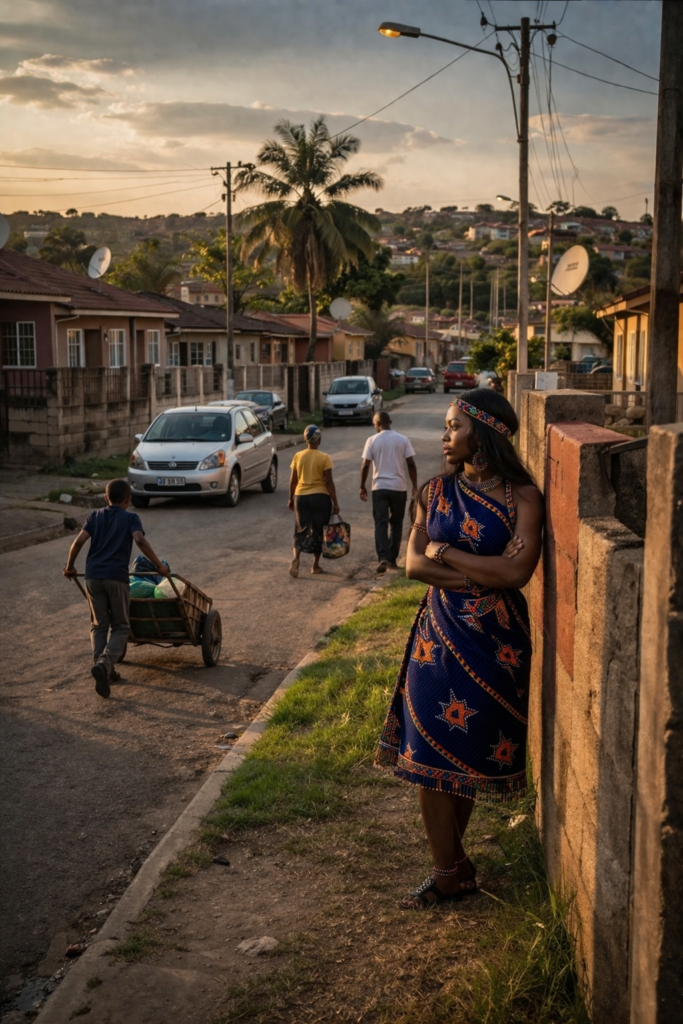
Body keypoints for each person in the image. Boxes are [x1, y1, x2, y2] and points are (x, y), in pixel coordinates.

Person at [375, 389, 543, 909]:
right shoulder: (433, 492)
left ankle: (455, 869)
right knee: (428, 750)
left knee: (465, 754)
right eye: (446, 427)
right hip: (438, 637)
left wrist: (444, 550)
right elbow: (412, 567)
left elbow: (517, 572)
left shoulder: (523, 497)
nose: (444, 437)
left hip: (498, 644)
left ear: (482, 433)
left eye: (453, 427)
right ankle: (448, 871)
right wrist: (479, 567)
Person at [63, 478, 169, 700]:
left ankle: (104, 671)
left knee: (99, 625)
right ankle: (105, 664)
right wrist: (159, 565)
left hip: (92, 576)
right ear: (128, 499)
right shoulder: (131, 517)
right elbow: (139, 539)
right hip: (116, 577)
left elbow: (79, 541)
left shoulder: (95, 516)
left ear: (105, 498)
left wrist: (70, 566)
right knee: (121, 626)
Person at [360, 411, 417, 574]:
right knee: (396, 523)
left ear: (377, 424)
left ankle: (383, 557)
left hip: (379, 487)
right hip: (399, 488)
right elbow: (411, 464)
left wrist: (362, 485)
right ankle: (392, 560)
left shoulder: (372, 440)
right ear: (389, 421)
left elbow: (365, 465)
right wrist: (414, 485)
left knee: (381, 522)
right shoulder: (403, 439)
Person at [288, 424, 340, 577]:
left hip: (301, 497)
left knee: (300, 529)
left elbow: (293, 481)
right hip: (320, 498)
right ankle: (315, 566)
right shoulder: (324, 457)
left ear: (305, 439)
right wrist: (335, 502)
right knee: (319, 530)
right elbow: (329, 482)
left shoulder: (298, 456)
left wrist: (291, 499)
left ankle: (296, 558)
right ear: (319, 439)